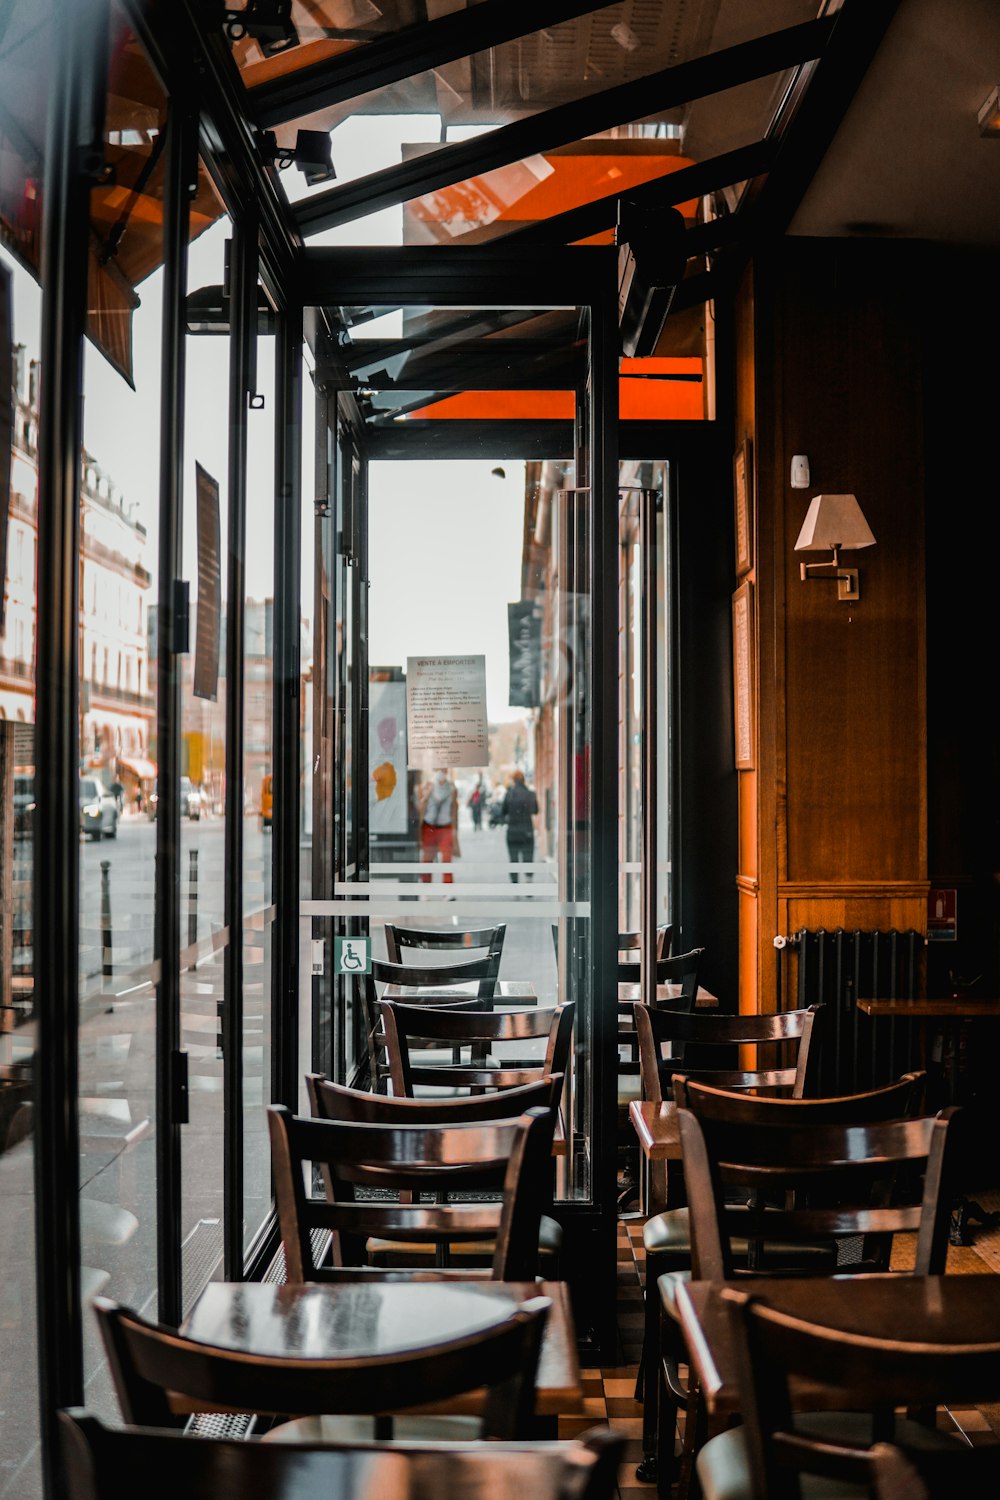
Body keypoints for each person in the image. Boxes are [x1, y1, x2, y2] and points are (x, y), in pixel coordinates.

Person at [417, 768, 460, 884]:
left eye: (443, 770)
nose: (440, 772)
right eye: (438, 769)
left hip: (445, 826)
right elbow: (421, 806)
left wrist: (455, 832)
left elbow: (455, 811)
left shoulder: (452, 788)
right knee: (427, 859)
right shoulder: (428, 786)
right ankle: (425, 888)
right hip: (429, 826)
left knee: (447, 860)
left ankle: (447, 889)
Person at [502, 769, 538, 883]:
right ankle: (528, 881)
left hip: (512, 831)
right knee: (528, 857)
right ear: (524, 780)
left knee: (513, 859)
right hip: (527, 831)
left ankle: (515, 883)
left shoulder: (509, 794)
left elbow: (503, 811)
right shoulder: (531, 794)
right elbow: (536, 810)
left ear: (514, 780)